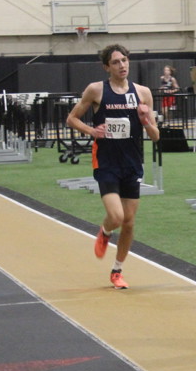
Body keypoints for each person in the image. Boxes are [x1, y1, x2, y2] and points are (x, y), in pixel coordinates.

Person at [66, 44, 160, 289]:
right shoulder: (96, 90)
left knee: (128, 222)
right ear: (107, 67)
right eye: (116, 62)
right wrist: (92, 131)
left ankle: (117, 271)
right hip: (106, 163)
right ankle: (105, 231)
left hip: (132, 164)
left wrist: (145, 121)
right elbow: (72, 118)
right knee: (117, 216)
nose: (122, 65)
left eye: (125, 60)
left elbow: (156, 136)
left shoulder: (143, 93)